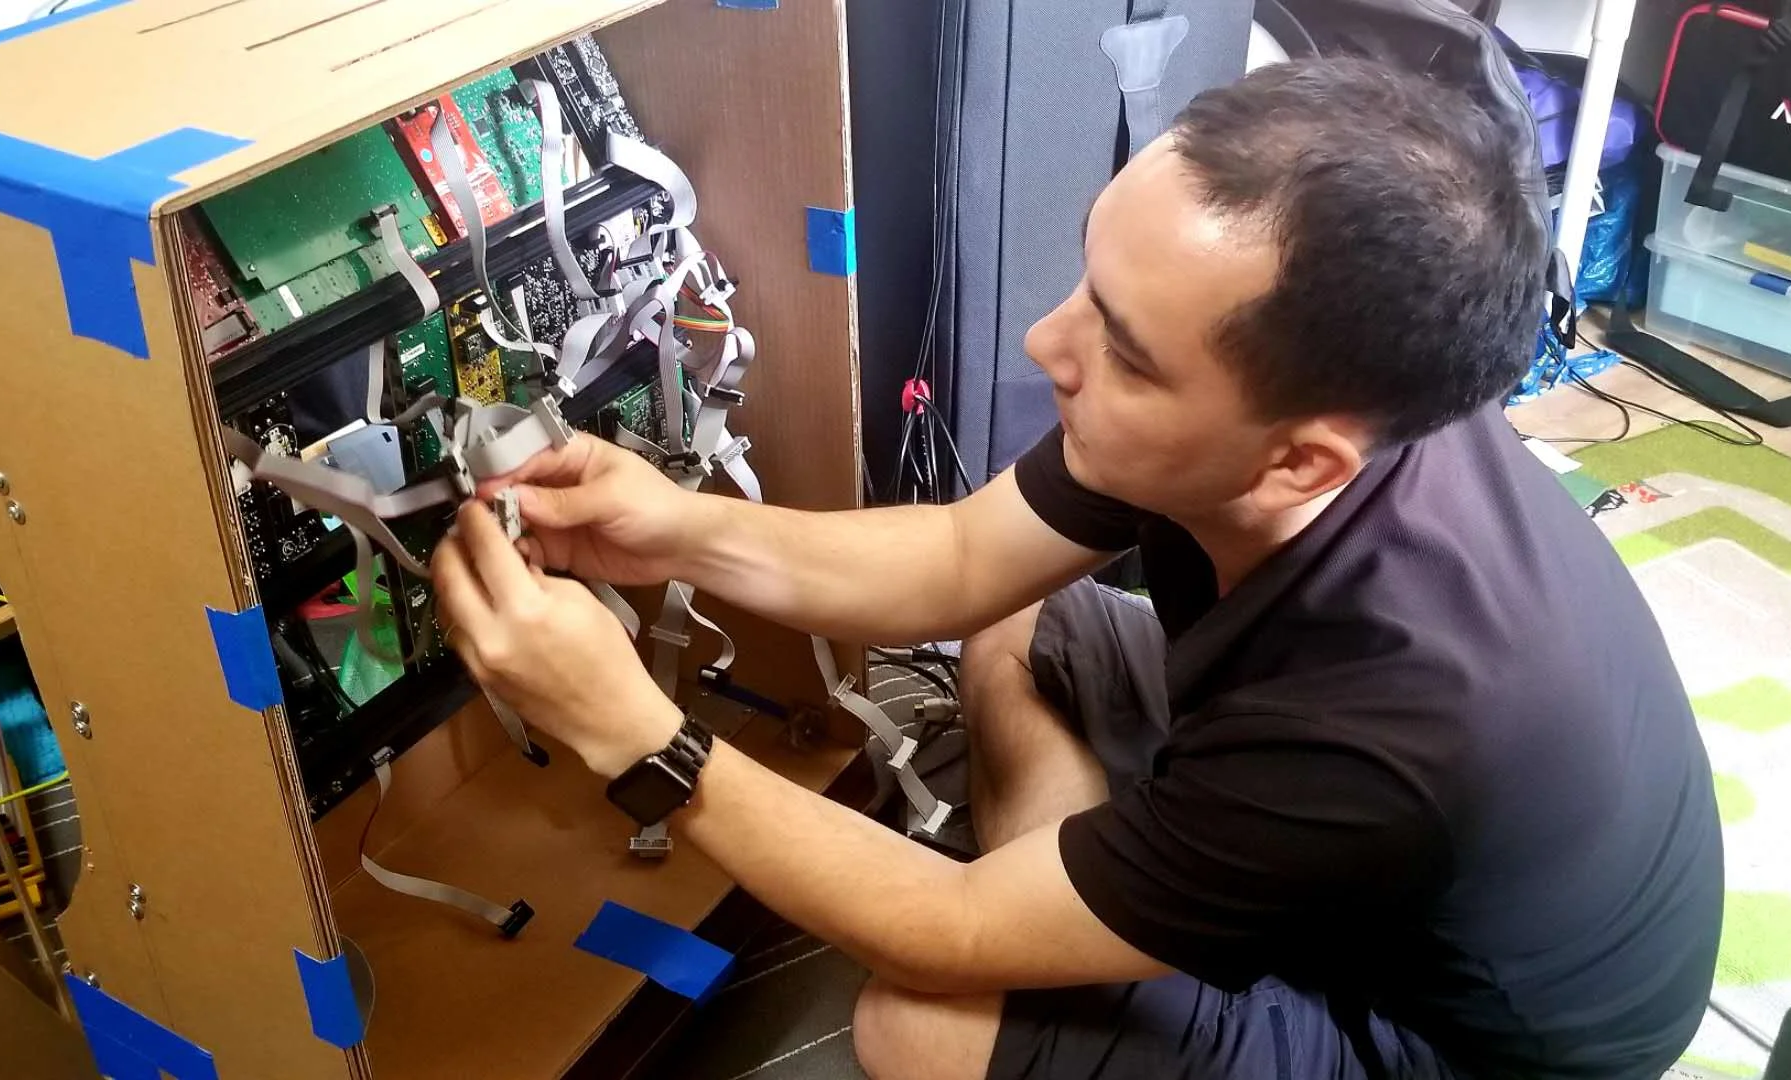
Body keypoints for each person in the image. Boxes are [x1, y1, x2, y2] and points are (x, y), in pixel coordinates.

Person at [430, 57, 1723, 1079]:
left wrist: (635, 734)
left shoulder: (1394, 722)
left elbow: (938, 933)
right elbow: (958, 559)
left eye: (1127, 351)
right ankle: (1092, 899)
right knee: (1014, 616)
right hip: (1375, 848)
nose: (1050, 345)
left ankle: (1084, 905)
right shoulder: (1317, 398)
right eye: (1093, 287)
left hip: (1448, 1038)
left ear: (1298, 463)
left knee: (921, 1023)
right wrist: (677, 528)